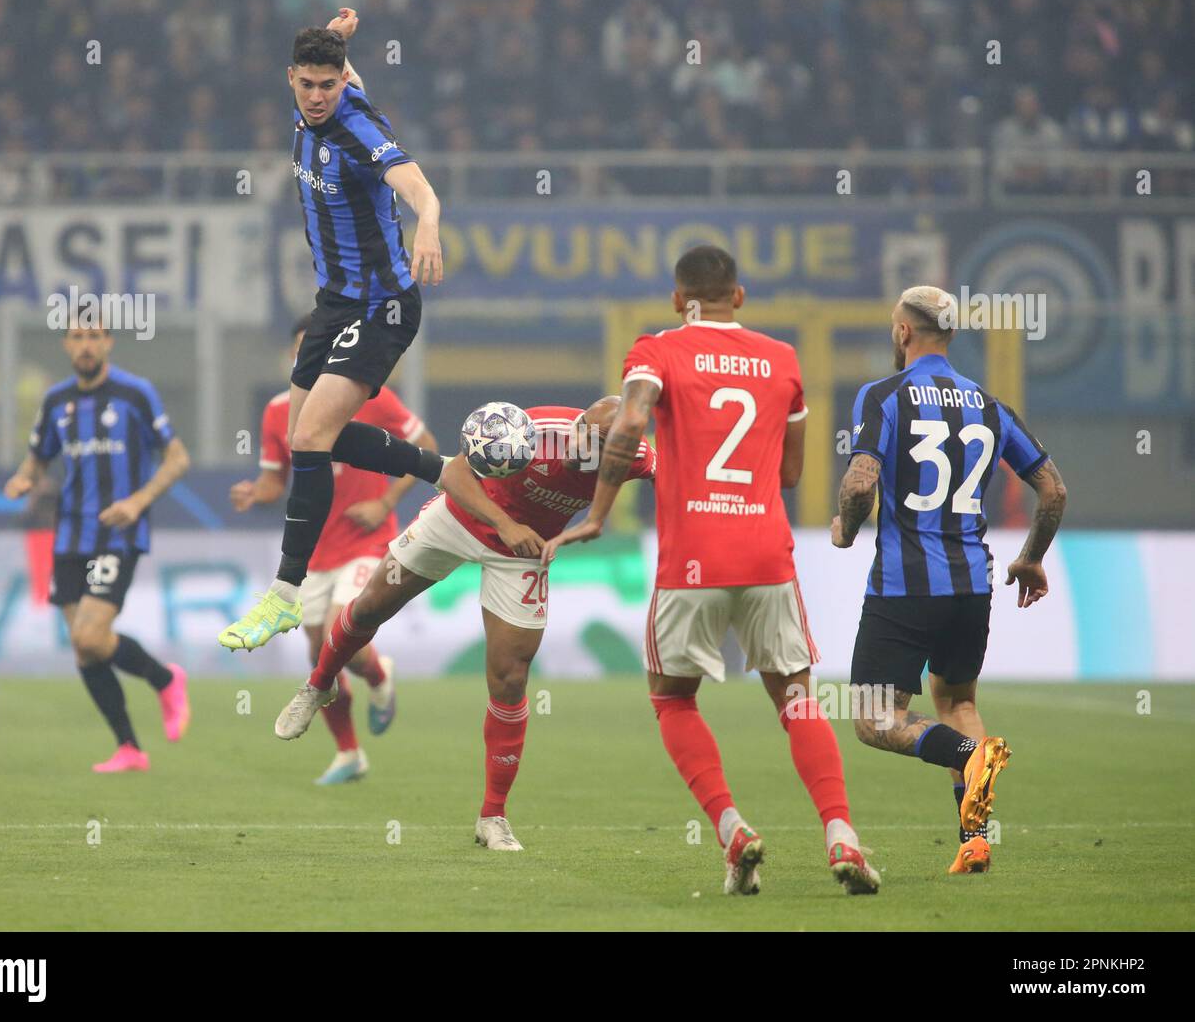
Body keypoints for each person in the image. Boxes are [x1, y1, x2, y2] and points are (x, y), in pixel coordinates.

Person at [543, 246, 880, 896]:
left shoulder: (657, 350)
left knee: (672, 697)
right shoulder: (783, 360)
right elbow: (789, 474)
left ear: (678, 300)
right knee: (798, 698)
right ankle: (842, 835)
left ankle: (732, 830)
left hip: (692, 557)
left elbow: (633, 417)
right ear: (741, 296)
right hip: (765, 554)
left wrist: (598, 511)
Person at [273, 398, 654, 851]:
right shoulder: (532, 431)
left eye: (594, 442)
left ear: (620, 452)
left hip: (521, 553)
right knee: (370, 606)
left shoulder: (638, 458)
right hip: (460, 520)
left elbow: (683, 477)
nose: (579, 443)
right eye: (582, 430)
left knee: (511, 678)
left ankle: (492, 817)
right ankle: (318, 684)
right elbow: (453, 471)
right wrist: (504, 521)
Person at [220, 7, 445, 652]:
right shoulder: (317, 100)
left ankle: (284, 594)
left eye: (330, 85)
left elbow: (418, 187)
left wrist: (427, 219)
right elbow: (337, 66)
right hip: (333, 304)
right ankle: (442, 468)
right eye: (309, 85)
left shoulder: (358, 126)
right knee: (304, 440)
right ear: (291, 78)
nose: (319, 98)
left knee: (315, 434)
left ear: (343, 86)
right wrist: (340, 41)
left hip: (384, 304)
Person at [833, 285, 1067, 874]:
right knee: (957, 699)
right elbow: (1053, 489)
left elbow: (861, 483)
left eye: (894, 327)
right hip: (973, 586)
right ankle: (975, 840)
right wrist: (1032, 556)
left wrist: (843, 530)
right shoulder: (990, 407)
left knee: (874, 719)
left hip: (904, 587)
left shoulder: (883, 396)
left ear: (905, 332)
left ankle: (971, 756)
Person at [230, 315, 437, 784]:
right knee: (318, 656)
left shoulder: (370, 397)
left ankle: (380, 677)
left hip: (365, 540)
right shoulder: (277, 412)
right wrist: (255, 494)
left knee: (336, 639)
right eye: (305, 350)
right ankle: (349, 754)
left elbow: (425, 445)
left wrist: (384, 500)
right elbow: (274, 482)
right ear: (293, 358)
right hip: (315, 553)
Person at [4, 325, 191, 772]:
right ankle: (129, 747)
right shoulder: (55, 401)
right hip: (69, 536)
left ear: (108, 342)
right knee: (84, 647)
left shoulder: (135, 394)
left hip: (117, 534)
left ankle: (165, 679)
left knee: (90, 636)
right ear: (67, 345)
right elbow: (37, 456)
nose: (86, 344)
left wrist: (138, 502)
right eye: (76, 336)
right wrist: (24, 476)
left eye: (95, 335)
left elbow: (178, 458)